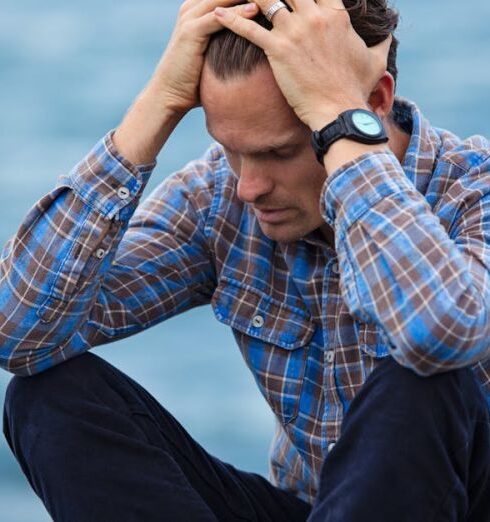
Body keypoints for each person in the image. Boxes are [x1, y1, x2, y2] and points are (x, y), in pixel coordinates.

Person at [1, 0, 490, 520]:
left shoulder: (473, 188)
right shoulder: (221, 199)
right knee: (48, 399)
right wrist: (159, 102)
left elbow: (438, 331)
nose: (248, 186)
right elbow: (19, 334)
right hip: (316, 508)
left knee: (419, 376)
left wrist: (340, 121)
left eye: (279, 153)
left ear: (374, 103)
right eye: (233, 150)